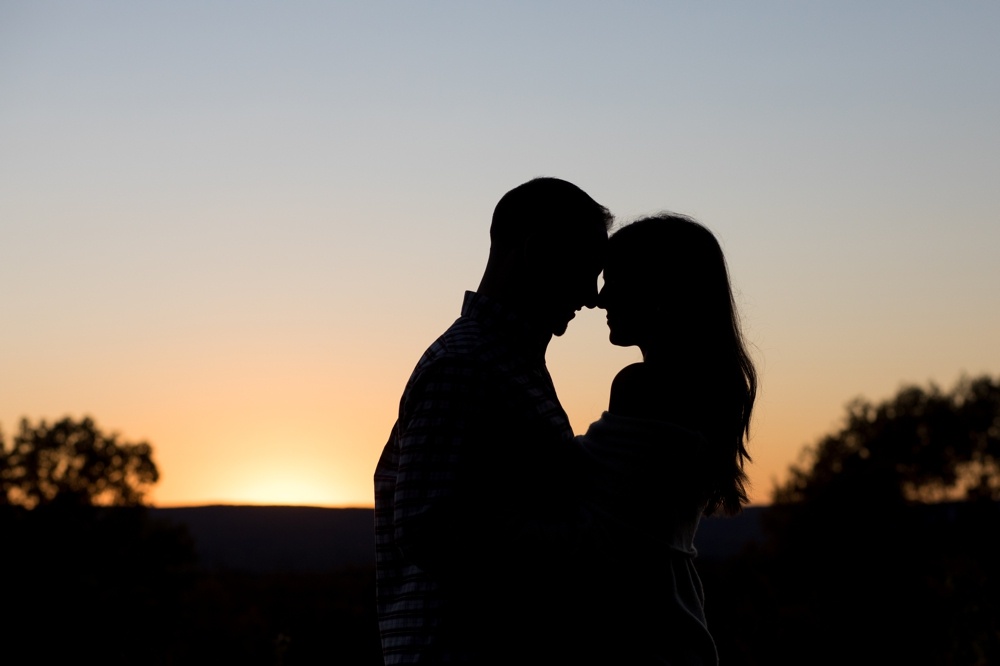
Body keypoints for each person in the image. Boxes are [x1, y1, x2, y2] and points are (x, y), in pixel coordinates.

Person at [374, 177, 615, 664]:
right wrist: (592, 540)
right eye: (585, 270)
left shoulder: (501, 362)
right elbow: (428, 529)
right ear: (536, 252)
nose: (592, 297)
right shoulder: (467, 366)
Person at [575, 213, 758, 665]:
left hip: (638, 634)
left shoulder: (644, 387)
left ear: (659, 292)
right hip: (675, 624)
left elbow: (569, 489)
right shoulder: (709, 390)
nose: (599, 298)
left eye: (614, 281)